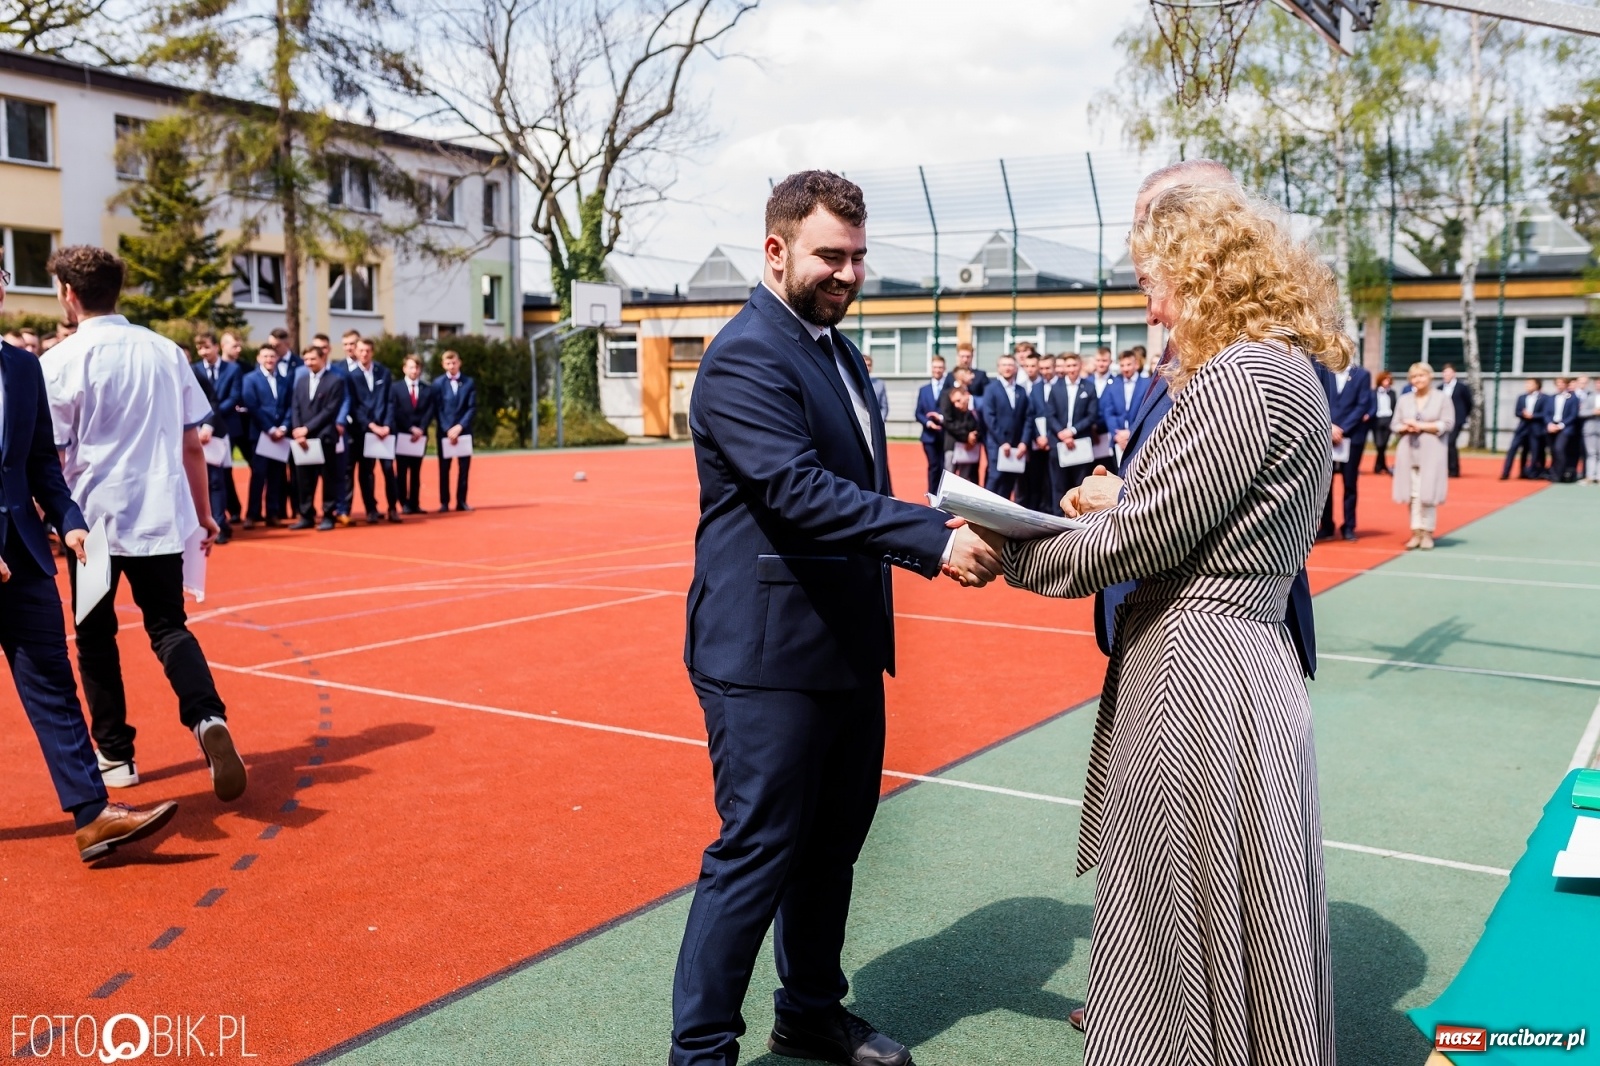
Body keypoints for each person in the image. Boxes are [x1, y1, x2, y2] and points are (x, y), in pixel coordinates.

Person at [991, 181, 1342, 1066]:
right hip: (1236, 666)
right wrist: (1124, 494)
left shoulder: (1243, 376)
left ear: (1203, 271)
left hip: (1200, 681)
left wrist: (1008, 547)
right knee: (1234, 910)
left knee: (1177, 906)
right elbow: (1188, 507)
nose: (1149, 303)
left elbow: (1146, 535)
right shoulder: (1283, 368)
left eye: (1156, 279)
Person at [672, 170, 998, 1066]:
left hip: (847, 646)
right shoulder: (745, 353)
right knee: (757, 854)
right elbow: (794, 491)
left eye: (857, 256)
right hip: (766, 656)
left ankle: (810, 1011)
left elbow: (854, 491)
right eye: (829, 255)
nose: (847, 272)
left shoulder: (834, 349)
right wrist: (929, 539)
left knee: (831, 849)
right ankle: (701, 1053)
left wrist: (950, 520)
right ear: (775, 251)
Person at [40, 245, 246, 803]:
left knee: (95, 637)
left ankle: (116, 754)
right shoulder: (165, 352)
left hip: (91, 523)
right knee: (168, 627)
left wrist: (46, 517)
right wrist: (204, 514)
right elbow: (192, 445)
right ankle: (206, 718)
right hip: (159, 513)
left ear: (69, 294)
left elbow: (51, 456)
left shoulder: (58, 362)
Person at [1, 271, 179, 861]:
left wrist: (69, 518)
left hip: (23, 556)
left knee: (53, 682)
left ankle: (92, 814)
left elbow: (39, 466)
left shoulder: (25, 367)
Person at [1391, 361, 1454, 550]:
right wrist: (1406, 427)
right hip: (1408, 452)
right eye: (1414, 377)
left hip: (1431, 451)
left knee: (1427, 493)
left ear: (1430, 377)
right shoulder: (1404, 399)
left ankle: (1427, 532)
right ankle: (1415, 531)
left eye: (1421, 375)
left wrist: (1423, 426)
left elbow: (1447, 424)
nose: (1418, 380)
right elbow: (1395, 424)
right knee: (1412, 494)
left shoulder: (1442, 398)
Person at [192, 332, 242, 545]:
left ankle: (221, 523)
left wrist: (210, 421)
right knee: (201, 481)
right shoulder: (193, 370)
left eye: (207, 347)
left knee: (217, 479)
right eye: (200, 348)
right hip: (195, 434)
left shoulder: (232, 369)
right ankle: (215, 522)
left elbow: (222, 399)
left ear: (216, 347)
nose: (204, 352)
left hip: (219, 431)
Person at [1316, 355, 1372, 541]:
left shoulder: (1362, 375)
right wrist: (1329, 427)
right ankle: (1327, 525)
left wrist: (1343, 429)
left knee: (1350, 484)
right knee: (1325, 484)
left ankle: (1349, 526)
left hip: (1352, 437)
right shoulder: (1323, 370)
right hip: (1326, 434)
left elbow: (1363, 404)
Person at [290, 343, 344, 531]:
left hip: (325, 437)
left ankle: (329, 514)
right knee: (303, 479)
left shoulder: (335, 381)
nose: (309, 362)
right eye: (306, 359)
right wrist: (297, 430)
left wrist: (307, 429)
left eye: (313, 358)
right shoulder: (301, 381)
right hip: (302, 440)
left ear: (323, 359)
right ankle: (306, 515)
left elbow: (330, 411)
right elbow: (295, 406)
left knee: (328, 478)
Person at [348, 338, 401, 523]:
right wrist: (371, 426)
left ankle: (393, 508)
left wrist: (386, 425)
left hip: (385, 431)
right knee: (366, 472)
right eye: (361, 350)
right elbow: (354, 406)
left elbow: (389, 401)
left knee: (388, 470)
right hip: (365, 432)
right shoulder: (351, 376)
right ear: (356, 352)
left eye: (368, 351)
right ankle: (371, 509)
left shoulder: (383, 372)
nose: (364, 354)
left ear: (372, 352)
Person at [241, 344, 290, 527]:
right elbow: (252, 406)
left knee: (276, 476)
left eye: (272, 356)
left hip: (281, 436)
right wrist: (270, 429)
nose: (269, 359)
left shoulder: (285, 380)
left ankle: (272, 513)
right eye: (265, 356)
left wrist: (284, 428)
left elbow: (290, 406)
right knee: (258, 475)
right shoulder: (250, 379)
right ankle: (252, 515)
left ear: (277, 358)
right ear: (258, 358)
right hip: (261, 435)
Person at [1045, 351, 1098, 510]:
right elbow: (1050, 414)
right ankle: (1057, 518)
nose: (1071, 369)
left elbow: (1091, 415)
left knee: (1079, 485)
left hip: (1080, 442)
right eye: (1068, 365)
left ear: (1080, 365)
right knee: (1058, 485)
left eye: (1074, 365)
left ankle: (1078, 520)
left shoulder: (1089, 387)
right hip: (1059, 443)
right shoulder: (1056, 387)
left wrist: (1072, 431)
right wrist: (1061, 432)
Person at [981, 353, 1031, 498]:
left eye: (1010, 365)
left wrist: (1024, 442)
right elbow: (989, 417)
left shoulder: (1021, 391)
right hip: (998, 445)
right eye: (1004, 365)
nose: (1007, 368)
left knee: (1009, 483)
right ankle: (983, 514)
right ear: (998, 368)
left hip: (1016, 447)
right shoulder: (991, 389)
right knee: (995, 479)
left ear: (1015, 368)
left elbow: (1027, 418)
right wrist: (1003, 442)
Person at [390, 354, 436, 513]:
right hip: (403, 434)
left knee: (416, 472)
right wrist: (410, 427)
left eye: (417, 367)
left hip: (420, 437)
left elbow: (430, 411)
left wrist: (421, 428)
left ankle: (415, 503)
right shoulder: (395, 388)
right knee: (402, 471)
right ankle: (403, 503)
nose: (414, 370)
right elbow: (395, 410)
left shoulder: (427, 389)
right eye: (411, 367)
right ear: (404, 368)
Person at [434, 349, 476, 512]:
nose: (451, 366)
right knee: (444, 469)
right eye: (448, 363)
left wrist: (459, 427)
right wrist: (447, 429)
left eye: (454, 362)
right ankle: (444, 502)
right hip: (444, 433)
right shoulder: (438, 384)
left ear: (459, 363)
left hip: (463, 432)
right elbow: (437, 409)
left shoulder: (469, 382)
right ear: (443, 365)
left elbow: (471, 408)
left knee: (464, 469)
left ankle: (461, 501)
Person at [1097, 349, 1149, 472]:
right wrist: (1117, 435)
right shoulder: (1113, 384)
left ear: (1136, 364)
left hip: (1138, 439)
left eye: (1128, 364)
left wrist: (1130, 432)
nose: (1125, 369)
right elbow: (1108, 412)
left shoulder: (1147, 384)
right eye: (1122, 365)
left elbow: (1146, 411)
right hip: (1117, 441)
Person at [219, 330, 249, 523]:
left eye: (239, 346)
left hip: (243, 427)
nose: (238, 349)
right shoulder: (211, 368)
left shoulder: (246, 368)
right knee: (223, 472)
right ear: (222, 346)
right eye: (234, 346)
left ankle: (254, 512)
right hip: (219, 427)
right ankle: (232, 510)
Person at [1021, 353, 1054, 511]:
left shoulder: (1060, 385)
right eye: (1042, 368)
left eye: (1048, 368)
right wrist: (1037, 437)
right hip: (1037, 443)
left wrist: (1049, 437)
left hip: (1055, 441)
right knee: (1036, 480)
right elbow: (1031, 416)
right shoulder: (1036, 388)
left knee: (1053, 481)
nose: (1045, 371)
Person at [1501, 378, 1550, 479]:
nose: (1527, 386)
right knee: (1513, 449)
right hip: (1523, 427)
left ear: (1537, 385)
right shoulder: (1521, 397)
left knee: (1534, 451)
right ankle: (1505, 472)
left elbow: (1545, 413)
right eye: (1526, 384)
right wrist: (1523, 414)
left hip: (1536, 428)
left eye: (1530, 384)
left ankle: (1532, 473)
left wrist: (1533, 416)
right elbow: (1517, 412)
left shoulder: (1544, 398)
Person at [914, 355, 948, 496]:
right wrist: (928, 423)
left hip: (946, 435)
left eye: (940, 367)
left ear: (944, 369)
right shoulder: (924, 389)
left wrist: (942, 419)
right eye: (935, 367)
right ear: (931, 368)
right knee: (934, 466)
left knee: (945, 468)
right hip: (929, 436)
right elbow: (918, 412)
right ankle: (932, 494)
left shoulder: (949, 389)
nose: (937, 370)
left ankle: (944, 495)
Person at [940, 373, 981, 480]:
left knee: (965, 479)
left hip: (969, 448)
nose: (957, 405)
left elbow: (981, 424)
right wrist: (967, 436)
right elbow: (949, 422)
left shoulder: (977, 406)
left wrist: (974, 436)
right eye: (954, 402)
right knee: (949, 479)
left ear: (966, 395)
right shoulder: (955, 408)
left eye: (958, 401)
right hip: (952, 445)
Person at [1439, 363, 1472, 478]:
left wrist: (1463, 416)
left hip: (1457, 420)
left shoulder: (1462, 387)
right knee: (1443, 444)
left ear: (1453, 373)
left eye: (1448, 372)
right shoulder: (1439, 388)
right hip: (1442, 420)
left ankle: (1454, 469)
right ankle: (1444, 468)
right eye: (1444, 372)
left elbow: (1469, 403)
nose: (1446, 375)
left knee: (1450, 442)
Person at [1547, 378, 1581, 483]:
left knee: (1559, 449)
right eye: (1557, 383)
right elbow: (1546, 413)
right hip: (1552, 427)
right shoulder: (1551, 397)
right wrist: (1549, 424)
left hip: (1565, 428)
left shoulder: (1573, 398)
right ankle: (1553, 473)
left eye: (1562, 383)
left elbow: (1573, 415)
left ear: (1566, 385)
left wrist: (1561, 425)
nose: (1559, 385)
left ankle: (1560, 474)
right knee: (1553, 451)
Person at [1371, 370, 1397, 474]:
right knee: (1379, 444)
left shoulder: (1392, 393)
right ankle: (1381, 465)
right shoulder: (1373, 392)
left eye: (1389, 379)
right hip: (1377, 420)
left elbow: (1394, 406)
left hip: (1388, 419)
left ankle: (1379, 466)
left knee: (1384, 445)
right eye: (1385, 379)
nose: (1387, 381)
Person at [1579, 376, 1600, 484]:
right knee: (1591, 453)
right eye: (1597, 383)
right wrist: (1593, 412)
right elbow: (1581, 412)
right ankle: (1590, 476)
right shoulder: (1589, 397)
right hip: (1590, 429)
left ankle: (1599, 476)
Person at [863, 353, 889, 420]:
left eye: (869, 365)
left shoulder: (879, 384)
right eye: (865, 365)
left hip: (875, 423)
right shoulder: (854, 383)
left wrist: (879, 422)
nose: (867, 367)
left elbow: (884, 407)